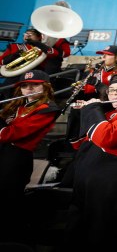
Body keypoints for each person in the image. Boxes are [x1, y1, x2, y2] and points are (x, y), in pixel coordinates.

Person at [65, 72, 117, 252]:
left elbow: (107, 137)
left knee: (102, 235)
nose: (115, 94)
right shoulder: (108, 113)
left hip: (113, 182)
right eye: (111, 90)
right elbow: (77, 144)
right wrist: (80, 113)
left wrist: (93, 109)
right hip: (88, 181)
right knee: (77, 231)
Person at [0, 69, 59, 243]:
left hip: (16, 158)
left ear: (45, 86)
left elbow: (13, 133)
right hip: (4, 153)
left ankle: (10, 240)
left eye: (34, 85)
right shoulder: (17, 105)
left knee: (7, 202)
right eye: (25, 86)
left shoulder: (47, 109)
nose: (29, 89)